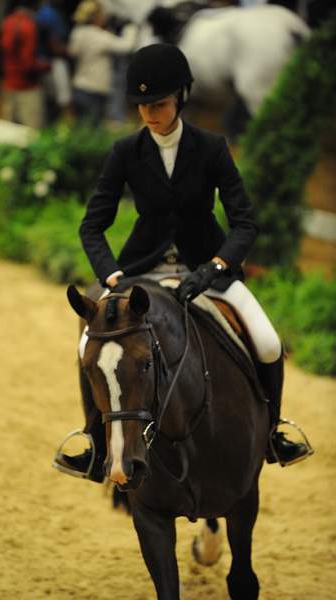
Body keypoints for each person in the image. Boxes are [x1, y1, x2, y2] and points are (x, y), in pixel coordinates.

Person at [55, 43, 312, 481]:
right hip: (141, 271)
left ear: (181, 97)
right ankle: (94, 441)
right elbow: (92, 226)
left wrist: (214, 267)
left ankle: (274, 431)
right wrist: (111, 274)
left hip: (206, 269)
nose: (150, 114)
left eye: (158, 104)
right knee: (88, 346)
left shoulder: (211, 148)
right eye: (142, 106)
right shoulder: (125, 152)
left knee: (267, 342)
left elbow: (245, 223)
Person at [67, 0, 138, 127]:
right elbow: (127, 46)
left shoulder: (77, 33)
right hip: (95, 90)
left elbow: (72, 52)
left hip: (79, 87)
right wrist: (131, 27)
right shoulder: (99, 36)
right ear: (97, 16)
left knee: (81, 130)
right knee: (93, 132)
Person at [0, 0, 51, 128]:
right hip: (27, 88)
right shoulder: (29, 26)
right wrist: (45, 66)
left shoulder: (8, 22)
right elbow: (27, 64)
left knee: (9, 131)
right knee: (32, 134)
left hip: (9, 84)